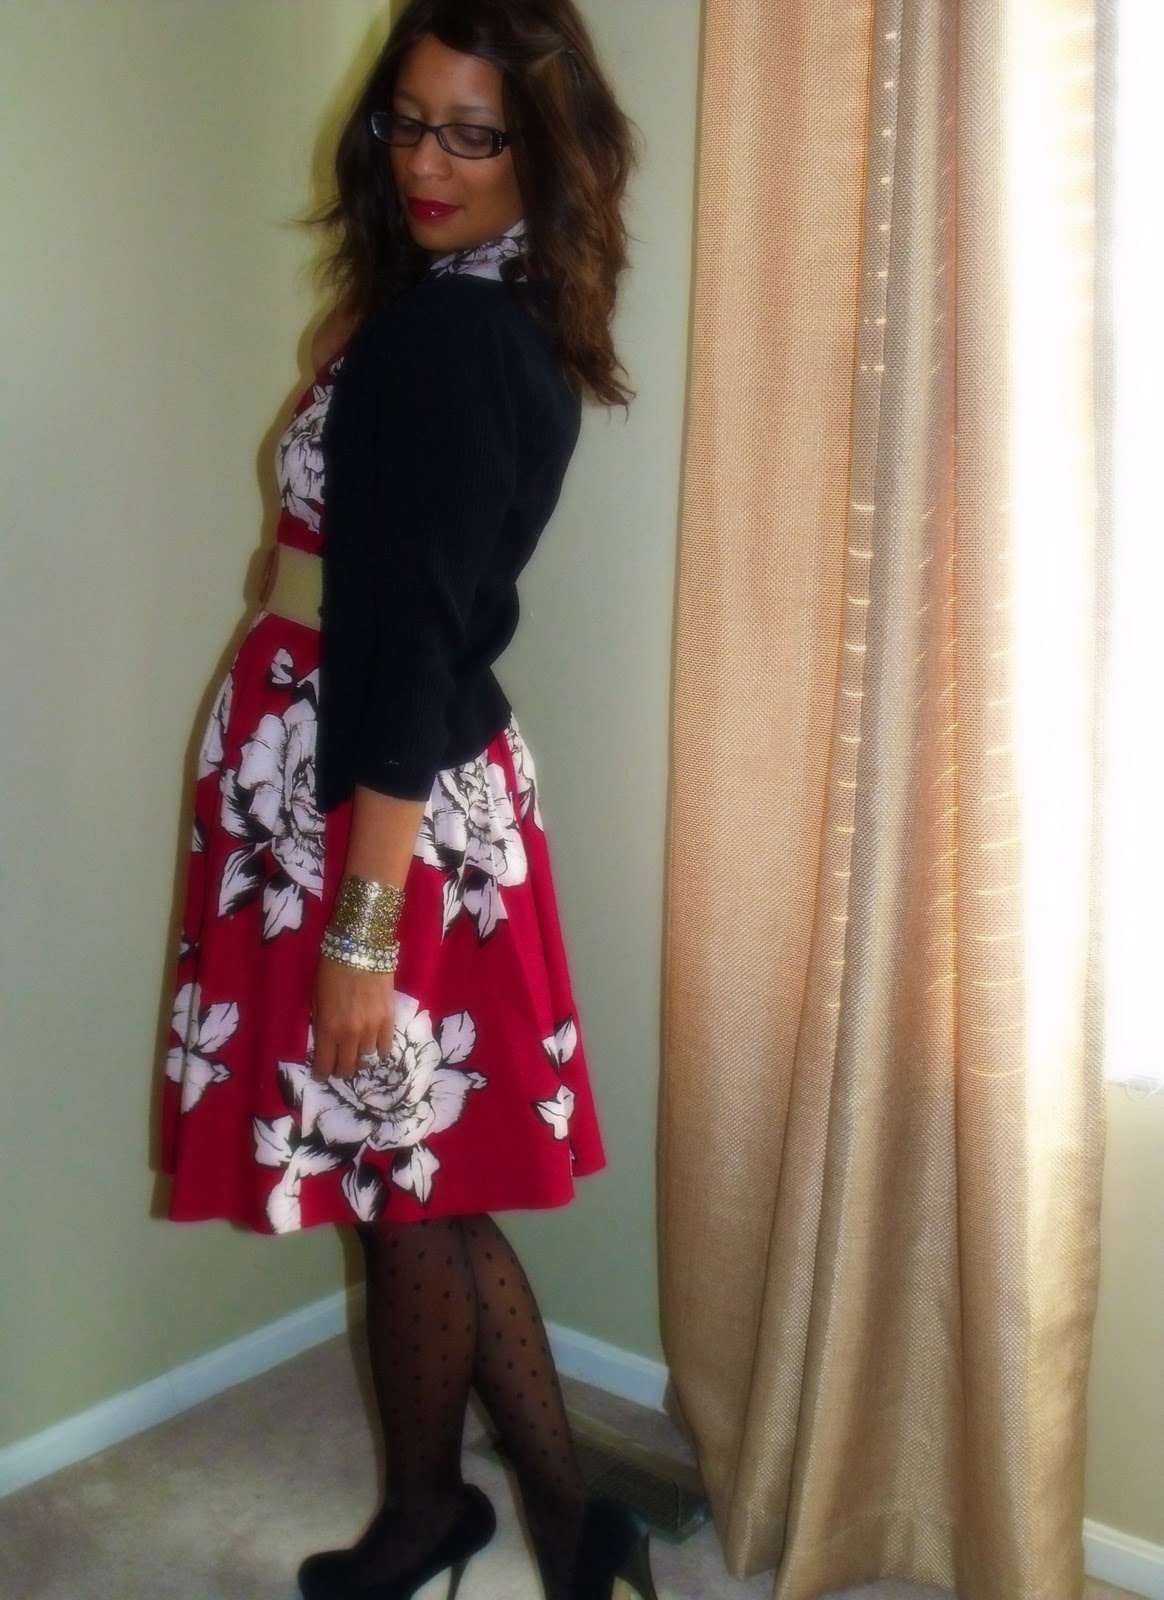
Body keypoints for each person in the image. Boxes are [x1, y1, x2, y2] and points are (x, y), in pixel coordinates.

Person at [160, 2, 653, 1597]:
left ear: (542, 157)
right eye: (410, 122)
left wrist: (361, 931)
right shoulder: (465, 308)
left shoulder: (450, 336)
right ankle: (512, 1523)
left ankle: (501, 1521)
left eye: (475, 135)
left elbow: (420, 643)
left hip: (378, 795)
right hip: (376, 772)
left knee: (410, 1192)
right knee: (408, 1180)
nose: (428, 163)